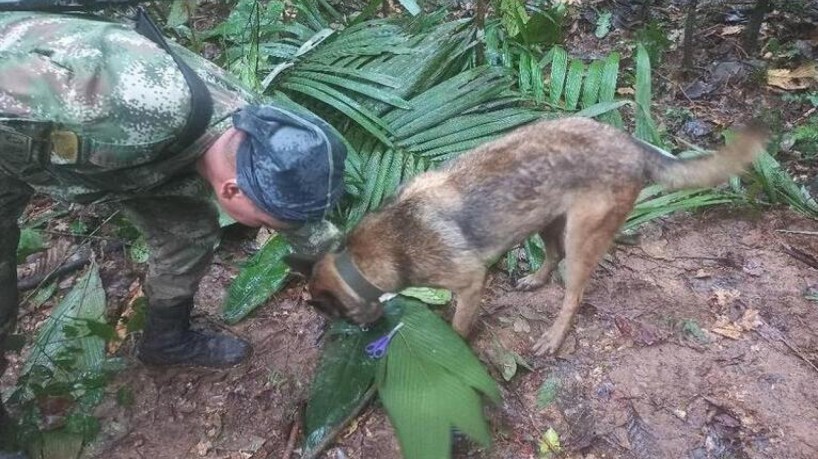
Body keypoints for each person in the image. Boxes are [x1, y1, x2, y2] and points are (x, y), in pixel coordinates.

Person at [0, 9, 346, 457]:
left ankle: (166, 339)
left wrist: (350, 276)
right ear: (232, 189)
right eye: (265, 224)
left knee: (188, 232)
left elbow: (299, 218)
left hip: (124, 161)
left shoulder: (253, 131)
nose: (271, 230)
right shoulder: (121, 104)